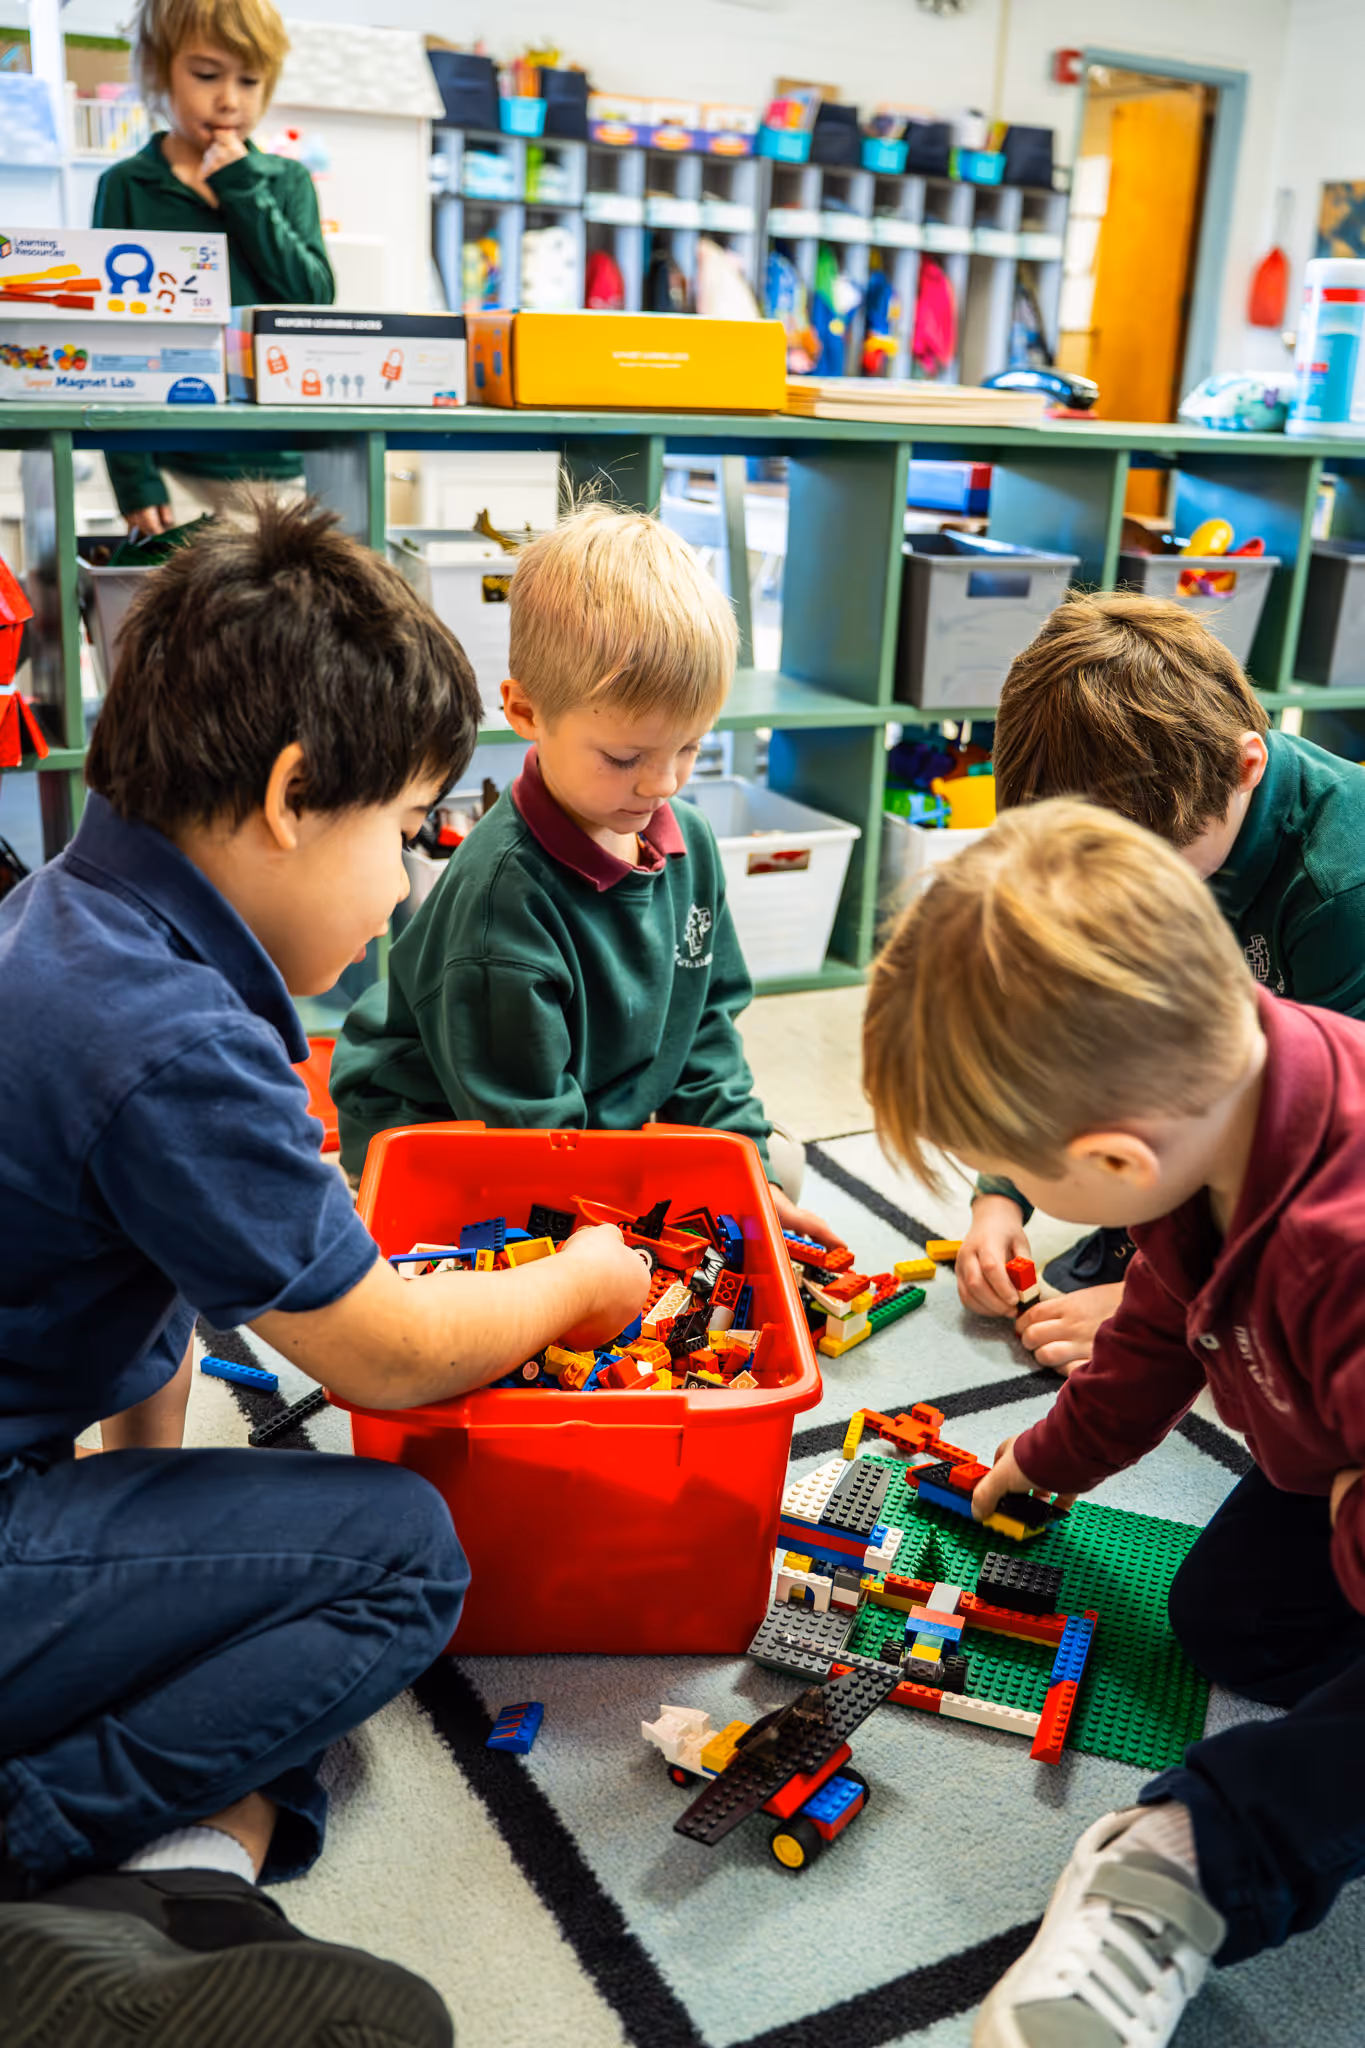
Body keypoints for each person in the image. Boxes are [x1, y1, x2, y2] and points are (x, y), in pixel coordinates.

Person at [0, 498, 649, 2046]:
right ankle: (37, 1835)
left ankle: (181, 1864)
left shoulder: (68, 922)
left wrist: (147, 1537)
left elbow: (137, 1321)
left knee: (232, 1589)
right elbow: (393, 1355)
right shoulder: (172, 1043)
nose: (413, 884)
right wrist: (579, 1278)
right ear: (295, 797)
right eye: (408, 831)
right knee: (401, 1554)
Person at [863, 797, 1365, 2048]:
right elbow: (1153, 1331)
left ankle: (1184, 1857)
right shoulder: (1223, 1097)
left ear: (1119, 1161)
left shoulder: (1340, 1250)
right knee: (1226, 1621)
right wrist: (1038, 1460)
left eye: (1027, 1174)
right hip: (1339, 1454)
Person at [332, 502, 836, 1248]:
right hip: (458, 1131)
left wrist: (747, 1168)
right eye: (625, 759)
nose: (663, 784)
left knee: (778, 1171)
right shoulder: (503, 901)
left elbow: (704, 1031)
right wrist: (626, 1231)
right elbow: (526, 1133)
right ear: (525, 712)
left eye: (689, 748)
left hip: (592, 1117)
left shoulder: (686, 842)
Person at [955, 591, 1365, 1372]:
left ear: (1247, 766)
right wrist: (1001, 1190)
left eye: (1145, 866)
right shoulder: (1146, 834)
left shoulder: (1343, 889)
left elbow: (1334, 1156)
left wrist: (1165, 1306)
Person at [93, 0, 334, 535]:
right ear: (159, 70)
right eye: (206, 75)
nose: (229, 100)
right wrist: (134, 478)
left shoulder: (285, 182)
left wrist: (243, 190)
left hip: (279, 457)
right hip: (168, 458)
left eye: (250, 82)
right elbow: (107, 331)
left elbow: (313, 299)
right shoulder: (127, 187)